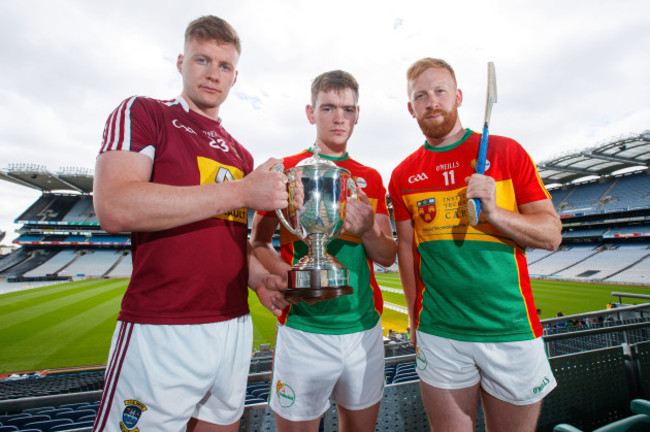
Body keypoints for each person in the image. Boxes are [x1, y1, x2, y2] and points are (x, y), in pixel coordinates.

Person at [92, 15, 291, 432]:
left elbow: (229, 236)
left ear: (235, 77)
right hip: (163, 325)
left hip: (234, 326)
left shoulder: (238, 152)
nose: (212, 74)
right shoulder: (145, 113)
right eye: (203, 60)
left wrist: (257, 279)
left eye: (224, 66)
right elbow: (114, 206)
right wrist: (241, 191)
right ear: (181, 61)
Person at [388, 58, 562, 432]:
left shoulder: (507, 152)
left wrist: (496, 214)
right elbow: (405, 249)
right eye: (421, 95)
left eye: (440, 91)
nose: (431, 101)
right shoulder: (402, 174)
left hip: (509, 328)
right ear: (410, 107)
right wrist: (413, 315)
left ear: (459, 97)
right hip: (440, 332)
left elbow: (551, 234)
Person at [250, 70, 397, 432]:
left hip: (362, 329)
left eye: (347, 109)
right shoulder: (286, 171)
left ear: (358, 114)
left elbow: (387, 255)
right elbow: (257, 241)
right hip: (303, 329)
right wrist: (284, 275)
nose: (339, 118)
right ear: (310, 112)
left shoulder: (371, 178)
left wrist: (366, 230)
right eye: (328, 107)